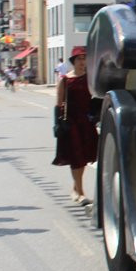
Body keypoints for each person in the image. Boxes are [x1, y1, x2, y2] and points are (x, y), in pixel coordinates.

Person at [53, 46, 99, 205]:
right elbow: (58, 104)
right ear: (73, 61)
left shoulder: (90, 79)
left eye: (84, 58)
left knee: (84, 157)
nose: (82, 62)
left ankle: (75, 188)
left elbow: (96, 98)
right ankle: (80, 193)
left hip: (86, 122)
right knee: (76, 157)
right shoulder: (65, 80)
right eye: (79, 59)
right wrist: (57, 124)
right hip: (70, 123)